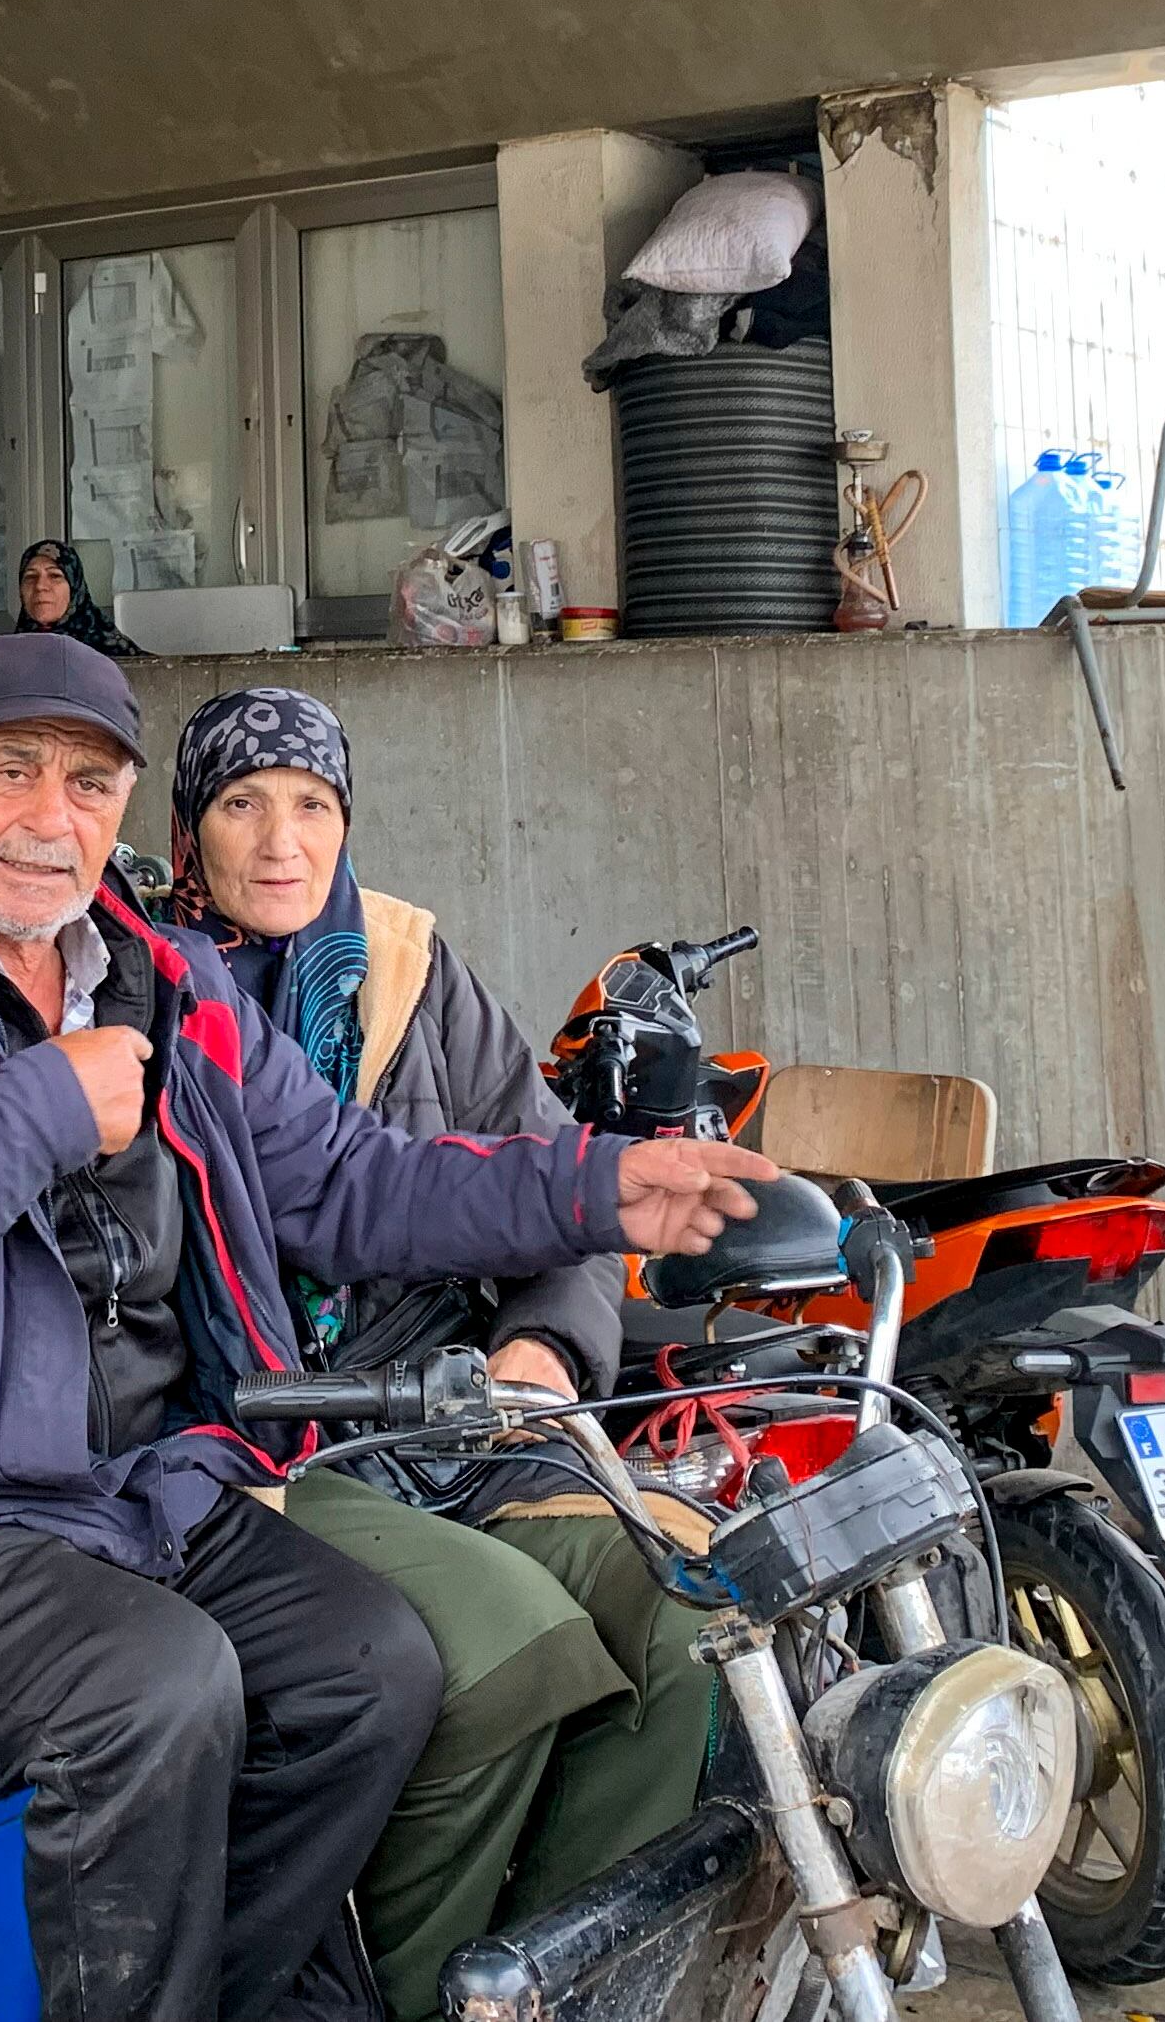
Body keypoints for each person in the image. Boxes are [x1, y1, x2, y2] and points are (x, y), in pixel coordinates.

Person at [0, 631, 771, 2022]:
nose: (47, 816)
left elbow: (353, 1181)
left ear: (125, 812)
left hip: (126, 1500)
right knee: (160, 1686)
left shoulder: (166, 983)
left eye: (87, 784)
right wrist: (39, 1104)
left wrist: (597, 1187)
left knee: (375, 1670)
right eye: (12, 770)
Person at [167, 686, 716, 2018]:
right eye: (242, 805)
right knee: (510, 1651)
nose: (281, 842)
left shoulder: (415, 974)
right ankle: (421, 1990)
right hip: (277, 1430)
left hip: (459, 1415)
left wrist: (540, 1354)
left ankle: (564, 1977)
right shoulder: (148, 986)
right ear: (187, 836)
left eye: (311, 805)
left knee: (689, 1625)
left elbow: (551, 1201)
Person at [13, 537, 144, 657]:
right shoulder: (8, 655)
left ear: (75, 587)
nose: (40, 586)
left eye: (55, 576)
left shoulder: (113, 654)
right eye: (30, 577)